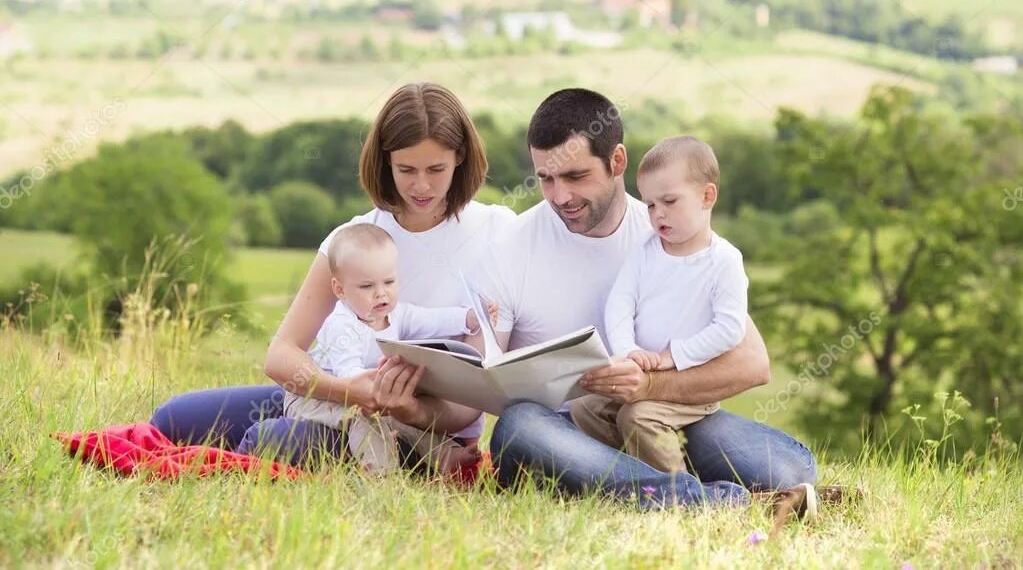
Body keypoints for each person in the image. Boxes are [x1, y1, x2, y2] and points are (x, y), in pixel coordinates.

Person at [467, 88, 819, 514]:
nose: (560, 196)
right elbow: (487, 380)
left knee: (788, 470)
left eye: (575, 176)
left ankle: (645, 490)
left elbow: (752, 363)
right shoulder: (511, 246)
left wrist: (650, 385)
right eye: (546, 178)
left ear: (617, 162)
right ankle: (698, 500)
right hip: (565, 430)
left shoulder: (670, 235)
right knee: (519, 428)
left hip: (659, 412)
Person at [150, 82, 514, 467]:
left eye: (435, 169)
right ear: (385, 163)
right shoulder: (355, 238)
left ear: (460, 159)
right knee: (175, 418)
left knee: (265, 441)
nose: (421, 185)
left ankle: (417, 462)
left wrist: (409, 410)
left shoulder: (497, 233)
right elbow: (282, 354)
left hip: (421, 430)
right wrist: (346, 390)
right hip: (338, 399)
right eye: (405, 169)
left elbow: (471, 404)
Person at [570, 135, 748, 473]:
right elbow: (620, 302)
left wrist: (672, 356)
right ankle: (631, 475)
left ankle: (679, 493)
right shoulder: (646, 249)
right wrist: (628, 352)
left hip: (689, 380)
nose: (658, 214)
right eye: (650, 204)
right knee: (584, 407)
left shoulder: (724, 261)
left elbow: (729, 330)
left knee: (639, 416)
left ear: (706, 196)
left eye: (669, 201)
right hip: (640, 370)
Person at [282, 223, 486, 475]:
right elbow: (349, 375)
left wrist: (467, 318)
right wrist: (378, 392)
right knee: (364, 416)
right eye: (367, 287)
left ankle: (444, 455)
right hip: (314, 398)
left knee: (398, 414)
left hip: (365, 392)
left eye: (388, 282)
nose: (381, 294)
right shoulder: (341, 324)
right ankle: (381, 474)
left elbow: (430, 320)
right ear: (339, 289)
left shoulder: (395, 314)